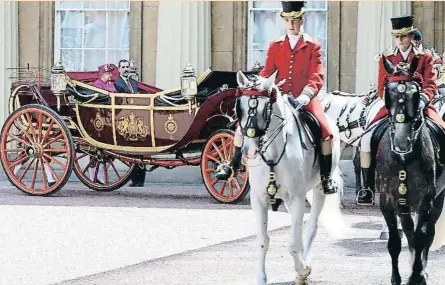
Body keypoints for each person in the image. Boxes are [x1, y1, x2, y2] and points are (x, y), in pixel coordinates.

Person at [217, 1, 338, 195]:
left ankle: (325, 178)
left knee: (325, 131)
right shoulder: (275, 45)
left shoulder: (313, 46)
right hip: (277, 100)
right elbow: (267, 72)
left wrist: (306, 96)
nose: (292, 24)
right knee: (242, 126)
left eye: (295, 20)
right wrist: (260, 86)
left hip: (304, 100)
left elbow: (317, 76)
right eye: (288, 20)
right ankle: (233, 165)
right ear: (283, 21)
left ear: (302, 20)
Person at [357, 15, 444, 205]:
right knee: (366, 138)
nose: (400, 40)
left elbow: (430, 84)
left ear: (411, 35)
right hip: (393, 107)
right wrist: (391, 104)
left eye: (404, 36)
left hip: (420, 105)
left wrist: (422, 100)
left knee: (442, 129)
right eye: (397, 36)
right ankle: (367, 187)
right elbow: (382, 86)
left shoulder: (424, 57)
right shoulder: (386, 57)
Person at [114, 59, 146, 187]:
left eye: (127, 67)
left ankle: (141, 180)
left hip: (138, 117)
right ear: (119, 69)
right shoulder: (117, 83)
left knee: (141, 149)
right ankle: (134, 180)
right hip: (125, 118)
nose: (126, 69)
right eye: (123, 67)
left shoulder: (133, 82)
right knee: (132, 150)